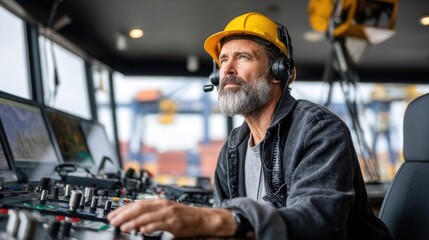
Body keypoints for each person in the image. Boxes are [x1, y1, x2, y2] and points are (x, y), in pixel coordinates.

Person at [108, 12, 393, 239]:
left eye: (242, 57)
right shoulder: (232, 149)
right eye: (222, 60)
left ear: (278, 72)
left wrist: (220, 220)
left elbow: (319, 225)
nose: (227, 70)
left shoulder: (319, 130)